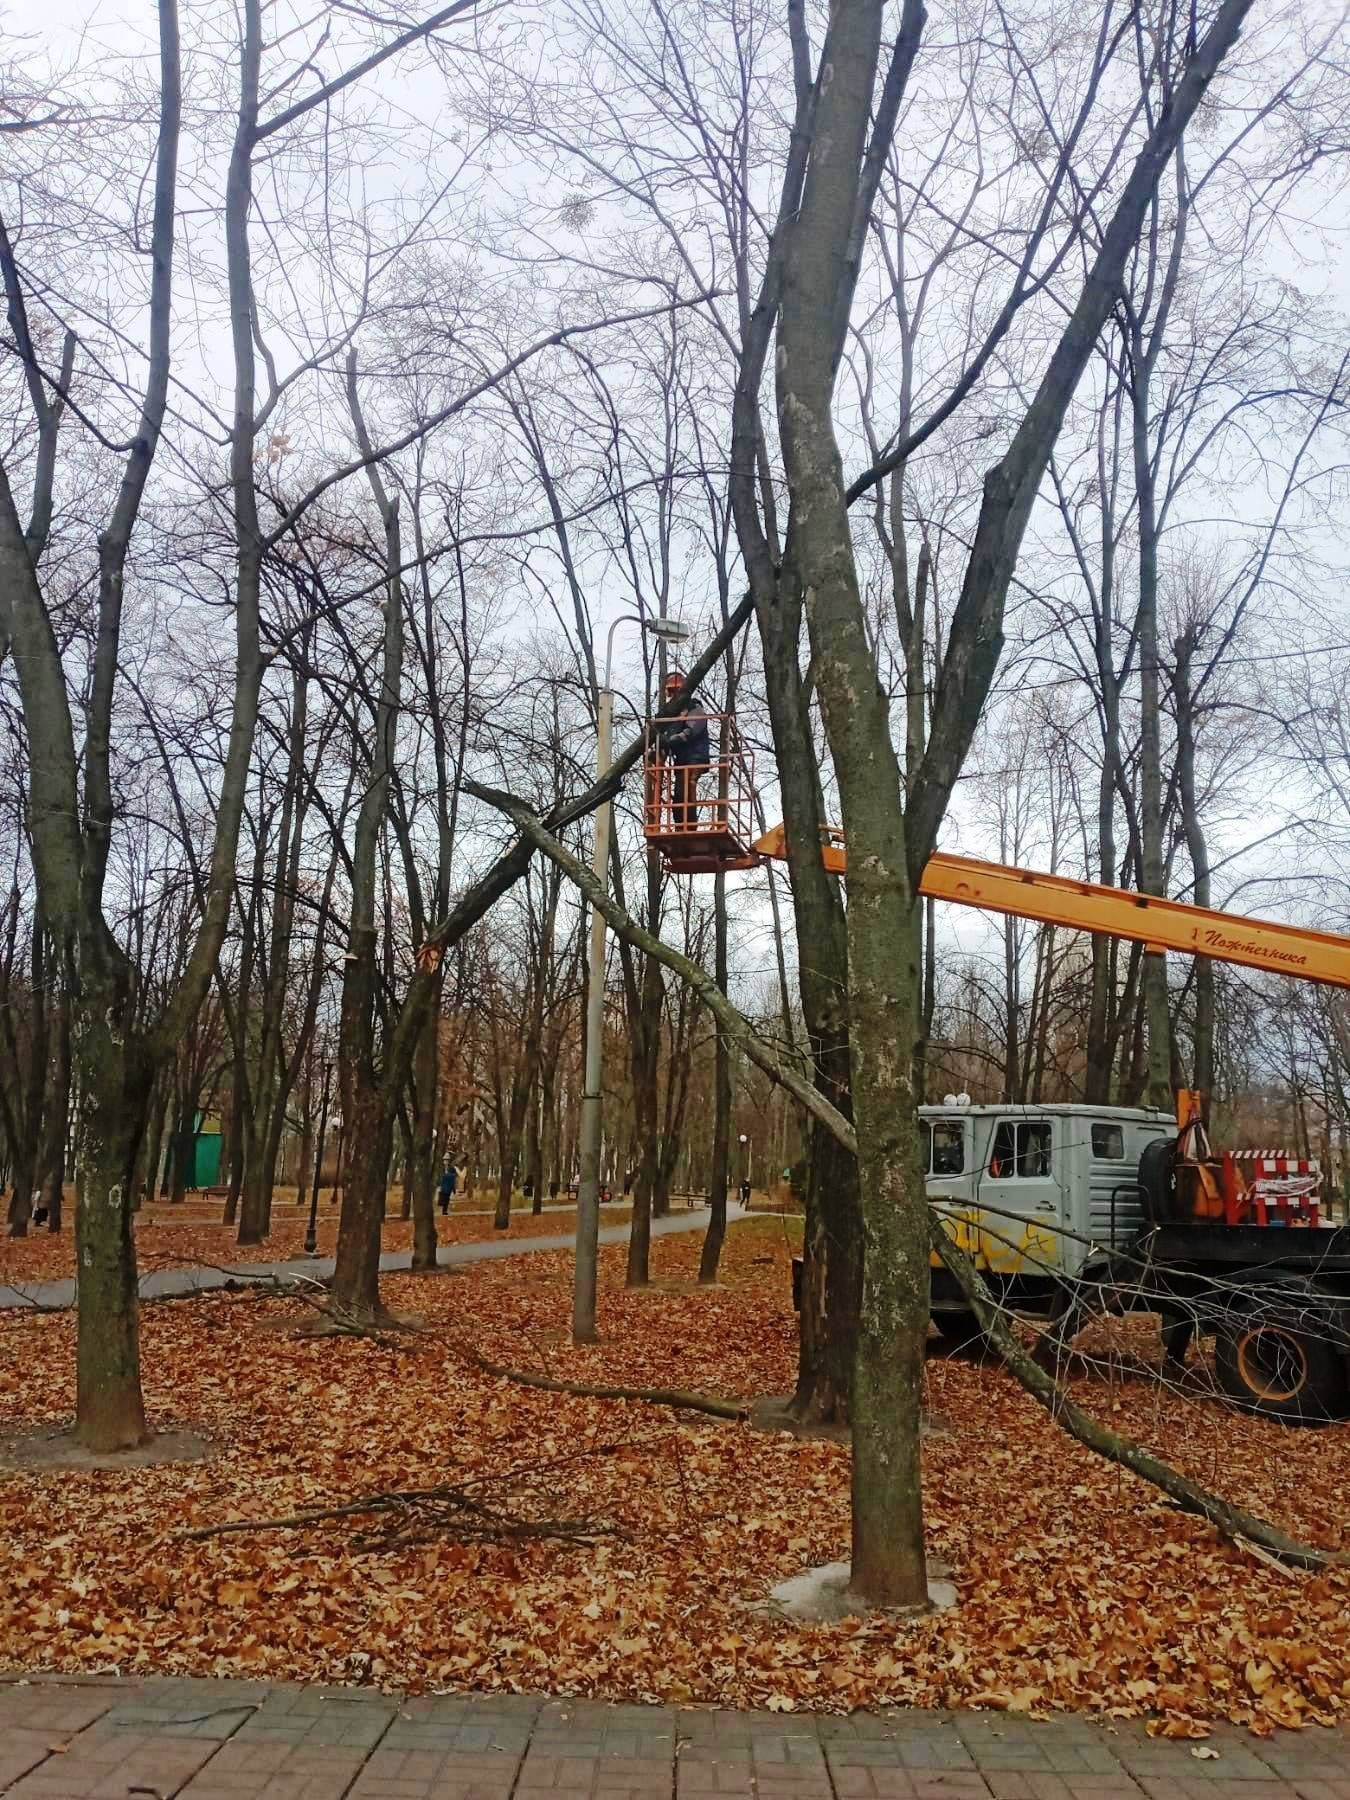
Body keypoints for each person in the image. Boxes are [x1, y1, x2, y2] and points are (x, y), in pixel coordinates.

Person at [654, 669, 710, 829]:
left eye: (676, 690)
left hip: (696, 757)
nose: (674, 695)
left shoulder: (694, 708)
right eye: (671, 691)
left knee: (686, 788)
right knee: (679, 795)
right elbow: (668, 739)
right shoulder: (672, 716)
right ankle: (681, 826)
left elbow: (691, 731)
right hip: (682, 760)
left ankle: (689, 827)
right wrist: (660, 750)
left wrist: (671, 741)